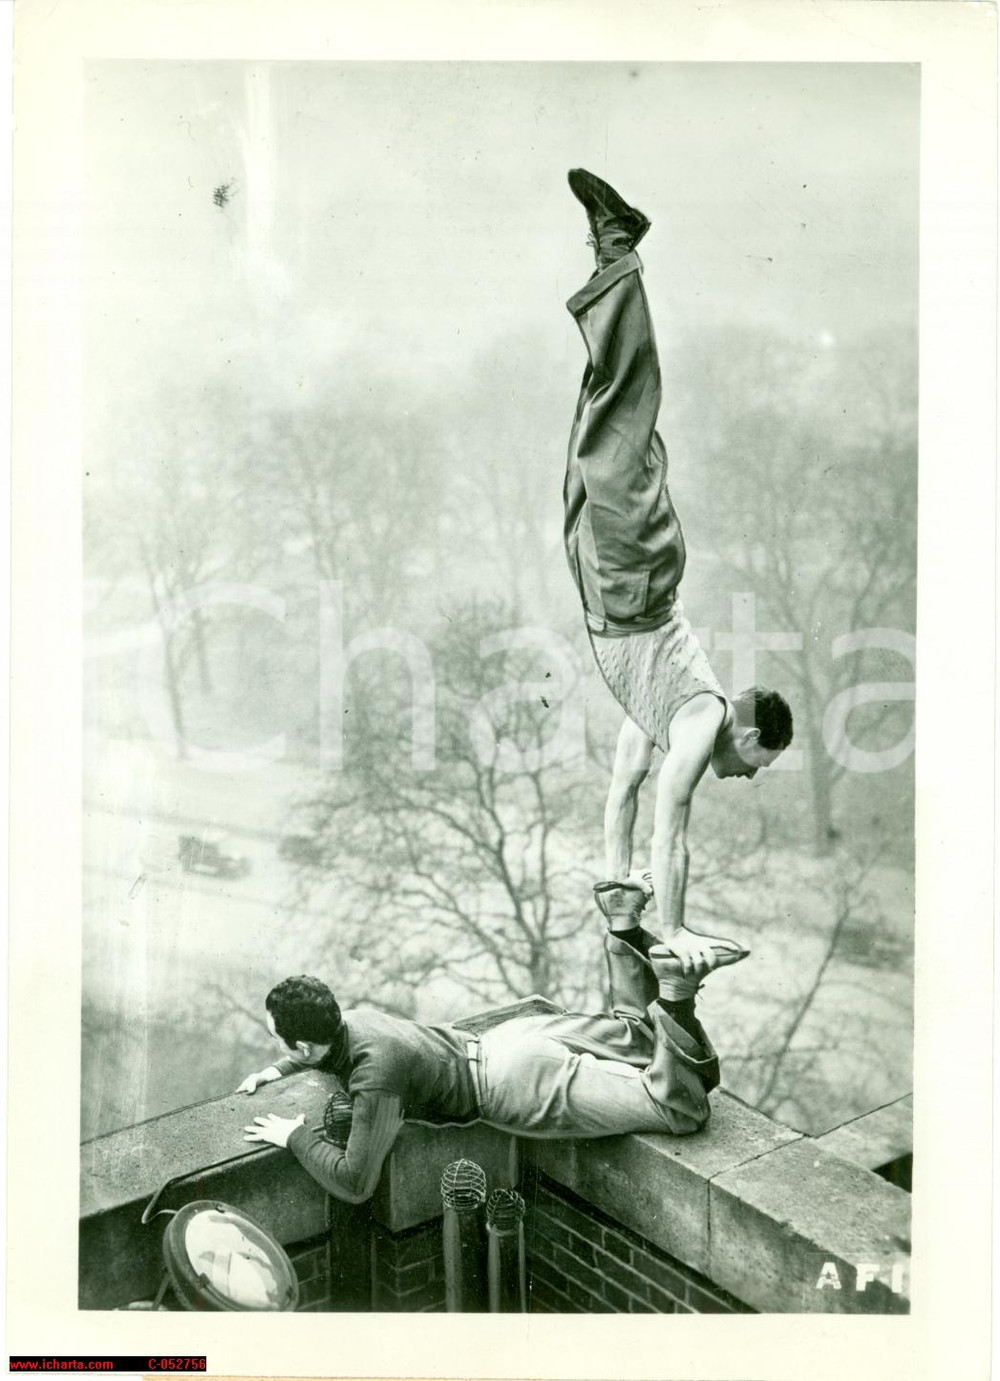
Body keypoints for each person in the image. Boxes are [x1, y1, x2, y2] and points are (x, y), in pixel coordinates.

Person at [562, 168, 793, 975]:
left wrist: (619, 879)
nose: (748, 777)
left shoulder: (663, 712)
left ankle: (613, 253)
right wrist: (677, 927)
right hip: (635, 580)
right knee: (624, 413)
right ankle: (618, 241)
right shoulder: (698, 721)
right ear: (748, 733)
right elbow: (673, 823)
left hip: (611, 585)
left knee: (599, 416)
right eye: (758, 765)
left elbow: (625, 787)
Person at [239, 908, 730, 1206]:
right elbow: (323, 1055)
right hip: (510, 1037)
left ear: (305, 1044)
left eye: (280, 1040)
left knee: (677, 1109)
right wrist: (276, 1070)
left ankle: (676, 993)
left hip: (512, 1084)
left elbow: (355, 1182)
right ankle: (623, 926)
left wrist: (294, 1136)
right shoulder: (353, 1020)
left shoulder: (376, 1079)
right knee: (638, 1037)